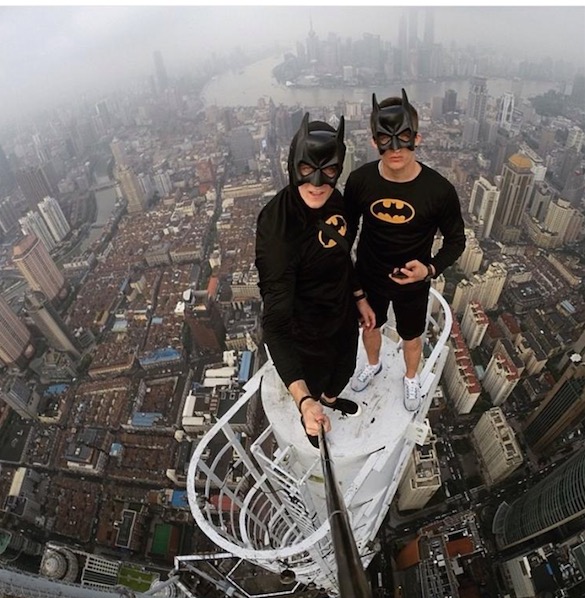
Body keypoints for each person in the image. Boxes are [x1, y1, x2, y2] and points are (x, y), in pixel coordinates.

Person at [255, 114, 375, 447]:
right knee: (316, 383)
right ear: (293, 164)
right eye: (307, 169)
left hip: (344, 316)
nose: (318, 182)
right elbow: (275, 326)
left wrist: (359, 295)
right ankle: (312, 412)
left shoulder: (335, 201)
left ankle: (332, 400)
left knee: (344, 372)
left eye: (329, 170)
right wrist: (305, 401)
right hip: (307, 335)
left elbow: (340, 255)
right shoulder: (278, 228)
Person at [344, 88, 465, 411]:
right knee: (370, 327)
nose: (395, 147)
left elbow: (457, 241)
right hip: (369, 275)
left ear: (417, 138)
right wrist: (354, 286)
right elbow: (346, 232)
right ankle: (373, 364)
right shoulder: (359, 181)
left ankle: (411, 377)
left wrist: (430, 269)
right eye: (385, 138)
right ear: (373, 141)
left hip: (414, 282)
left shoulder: (439, 190)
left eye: (403, 136)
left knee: (412, 337)